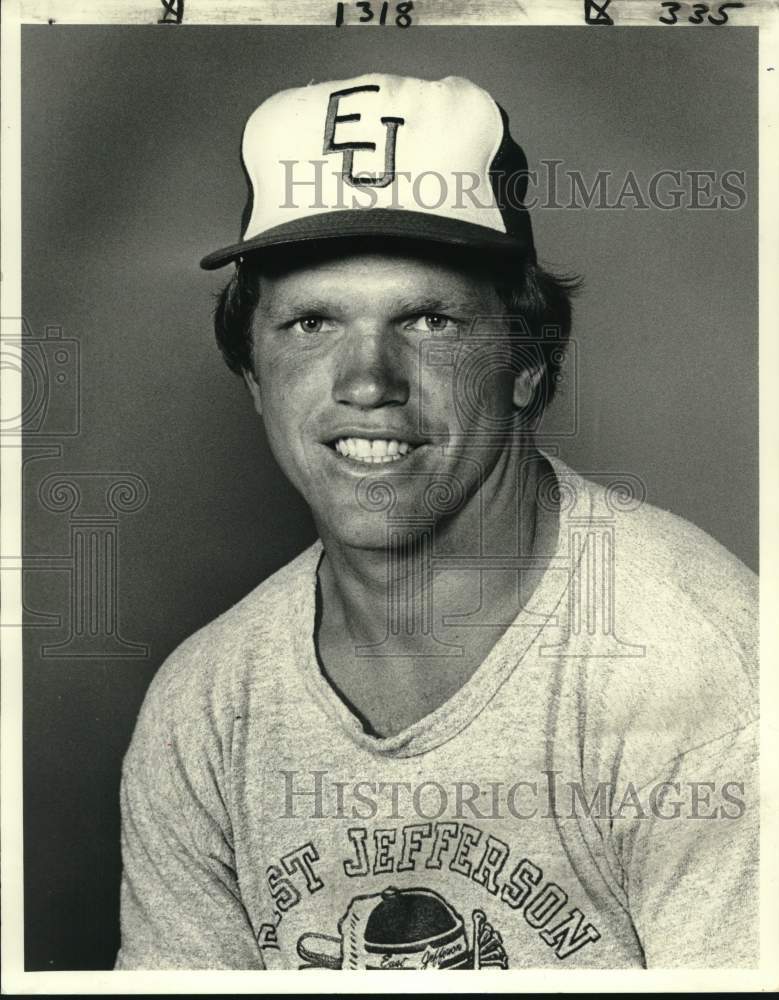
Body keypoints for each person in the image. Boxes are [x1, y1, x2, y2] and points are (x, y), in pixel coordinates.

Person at [114, 74, 758, 971]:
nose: (367, 381)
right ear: (255, 377)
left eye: (428, 318)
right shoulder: (204, 707)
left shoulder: (706, 671)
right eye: (310, 323)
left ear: (526, 363)